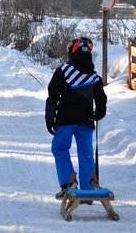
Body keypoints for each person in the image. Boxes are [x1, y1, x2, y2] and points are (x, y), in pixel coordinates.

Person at [45, 37, 107, 201]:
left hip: (65, 121)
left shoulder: (63, 71)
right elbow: (101, 101)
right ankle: (89, 188)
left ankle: (68, 185)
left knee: (59, 148)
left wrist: (49, 118)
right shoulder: (94, 77)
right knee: (86, 153)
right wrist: (99, 113)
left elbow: (52, 97)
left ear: (72, 52)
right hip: (86, 121)